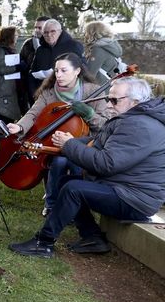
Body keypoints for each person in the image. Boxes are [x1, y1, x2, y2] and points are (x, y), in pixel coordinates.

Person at [9, 77, 165, 258]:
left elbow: (106, 163)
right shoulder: (134, 119)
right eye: (108, 99)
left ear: (135, 102)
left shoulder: (140, 125)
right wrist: (68, 143)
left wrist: (69, 145)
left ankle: (43, 243)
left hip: (135, 199)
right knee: (66, 181)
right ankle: (92, 237)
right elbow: (98, 142)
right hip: (124, 188)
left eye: (114, 100)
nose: (109, 105)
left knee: (74, 189)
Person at [7, 52, 116, 216]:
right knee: (59, 161)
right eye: (56, 70)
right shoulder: (49, 93)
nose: (58, 75)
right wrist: (20, 127)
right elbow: (33, 114)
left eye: (64, 71)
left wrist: (89, 114)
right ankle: (51, 204)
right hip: (55, 143)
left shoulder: (93, 92)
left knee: (75, 163)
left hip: (86, 143)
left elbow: (105, 126)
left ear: (77, 71)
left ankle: (77, 205)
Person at [29, 19, 84, 100]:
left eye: (53, 31)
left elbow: (82, 68)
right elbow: (32, 72)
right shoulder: (40, 50)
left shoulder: (73, 46)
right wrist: (34, 92)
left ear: (60, 32)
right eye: (45, 32)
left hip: (67, 94)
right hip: (44, 94)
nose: (49, 35)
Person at [19, 16, 50, 112]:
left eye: (40, 28)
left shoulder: (53, 43)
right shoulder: (28, 43)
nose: (37, 30)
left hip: (48, 85)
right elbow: (21, 60)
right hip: (31, 85)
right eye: (35, 27)